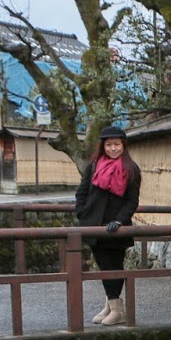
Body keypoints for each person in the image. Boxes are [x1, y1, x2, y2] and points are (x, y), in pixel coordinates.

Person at [74, 124, 141, 326]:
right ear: (103, 146)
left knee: (115, 266)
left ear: (123, 145)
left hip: (117, 226)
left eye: (117, 144)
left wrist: (119, 220)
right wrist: (82, 212)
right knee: (103, 266)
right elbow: (82, 192)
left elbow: (132, 201)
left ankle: (117, 310)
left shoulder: (131, 169)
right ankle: (112, 306)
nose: (113, 148)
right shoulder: (93, 166)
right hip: (94, 225)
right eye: (109, 144)